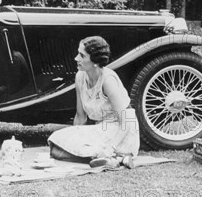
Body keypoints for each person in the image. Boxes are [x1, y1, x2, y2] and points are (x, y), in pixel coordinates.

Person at [47, 36, 139, 169]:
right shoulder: (80, 76)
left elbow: (126, 120)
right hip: (100, 129)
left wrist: (110, 148)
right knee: (55, 146)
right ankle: (114, 159)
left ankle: (111, 156)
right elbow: (80, 116)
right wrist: (74, 136)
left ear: (95, 61)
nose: (76, 58)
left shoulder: (108, 80)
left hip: (121, 130)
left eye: (82, 55)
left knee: (62, 149)